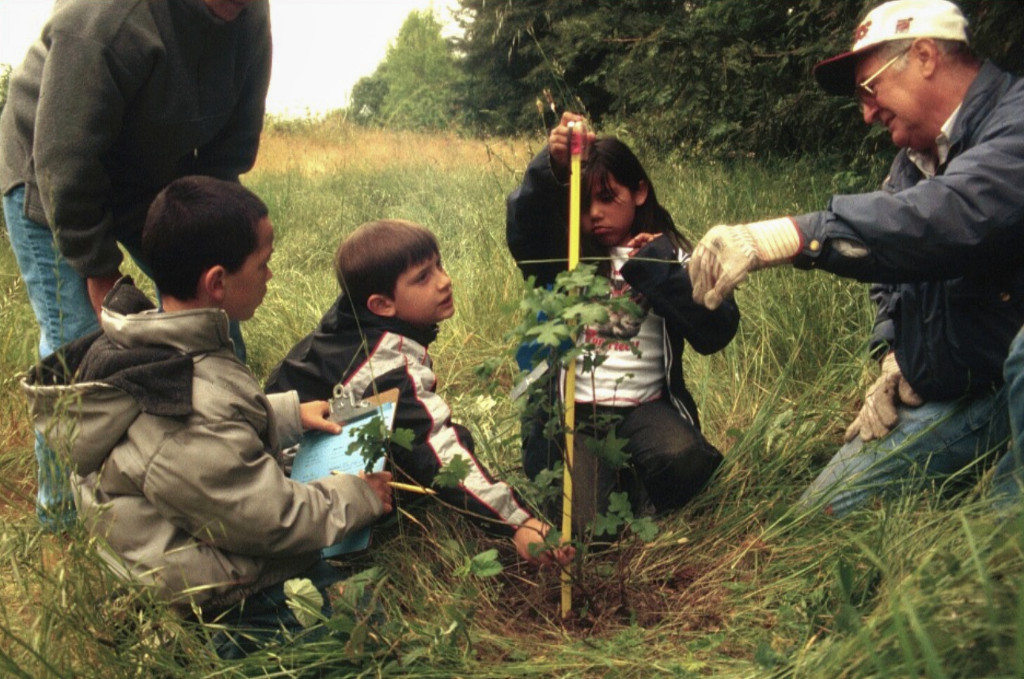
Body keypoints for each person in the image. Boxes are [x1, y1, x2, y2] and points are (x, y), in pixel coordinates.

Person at [20, 176, 393, 658]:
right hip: (208, 601)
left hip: (178, 550)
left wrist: (283, 414)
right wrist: (357, 495)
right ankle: (191, 649)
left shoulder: (159, 343)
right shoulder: (179, 401)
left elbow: (215, 431)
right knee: (367, 628)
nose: (270, 276)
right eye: (263, 264)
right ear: (218, 282)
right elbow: (269, 519)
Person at [686, 0, 1024, 515]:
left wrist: (792, 236)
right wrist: (895, 356)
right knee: (818, 518)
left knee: (990, 540)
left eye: (870, 88)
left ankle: (1000, 545)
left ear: (926, 56)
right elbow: (891, 272)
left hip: (1012, 374)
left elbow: (946, 218)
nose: (866, 113)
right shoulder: (911, 164)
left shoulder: (1016, 123)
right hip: (966, 395)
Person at [0, 0, 272, 528]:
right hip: (51, 177)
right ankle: (66, 525)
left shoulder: (250, 14)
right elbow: (64, 160)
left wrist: (210, 243)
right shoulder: (108, 16)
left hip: (153, 178)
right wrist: (101, 270)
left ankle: (233, 477)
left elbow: (228, 153)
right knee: (84, 347)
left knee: (215, 324)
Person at [265, 220, 573, 566]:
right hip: (301, 498)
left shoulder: (349, 323)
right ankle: (350, 556)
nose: (445, 281)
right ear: (381, 305)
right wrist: (518, 523)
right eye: (423, 277)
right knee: (442, 448)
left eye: (439, 265)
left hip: (281, 474)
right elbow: (440, 450)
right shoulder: (389, 365)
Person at [506, 113, 740, 530]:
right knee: (589, 530)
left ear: (639, 192)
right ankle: (612, 485)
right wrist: (550, 168)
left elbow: (715, 331)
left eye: (608, 197)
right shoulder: (570, 256)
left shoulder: (673, 255)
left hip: (645, 408)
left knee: (687, 462)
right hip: (579, 412)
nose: (594, 214)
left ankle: (640, 484)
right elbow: (525, 232)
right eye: (584, 203)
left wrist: (660, 269)